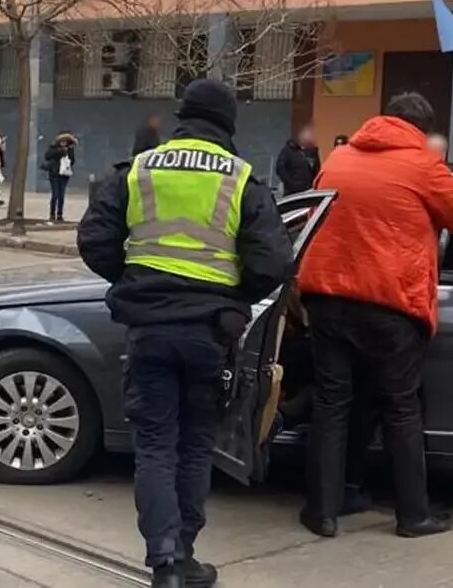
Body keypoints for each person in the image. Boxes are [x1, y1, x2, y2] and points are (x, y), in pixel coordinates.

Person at [77, 79, 293, 588]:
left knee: (154, 444)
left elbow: (93, 238)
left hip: (149, 330)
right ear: (228, 124)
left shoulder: (142, 169)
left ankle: (164, 561)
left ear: (182, 116)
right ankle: (187, 555)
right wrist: (233, 298)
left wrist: (136, 282)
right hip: (209, 334)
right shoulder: (240, 178)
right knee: (196, 444)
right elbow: (275, 261)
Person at [297, 92, 453, 540]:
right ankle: (413, 515)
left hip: (326, 298)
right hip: (390, 302)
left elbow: (311, 215)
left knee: (331, 403)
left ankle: (324, 510)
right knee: (401, 408)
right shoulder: (422, 164)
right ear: (419, 130)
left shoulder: (339, 157)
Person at [275, 124, 320, 195]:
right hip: (292, 193)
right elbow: (280, 168)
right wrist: (291, 184)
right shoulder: (288, 150)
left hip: (309, 192)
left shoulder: (312, 152)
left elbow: (317, 170)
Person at [43, 132, 77, 222]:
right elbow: (47, 156)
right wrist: (59, 152)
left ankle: (60, 214)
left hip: (64, 175)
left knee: (61, 195)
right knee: (55, 194)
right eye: (62, 141)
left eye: (65, 141)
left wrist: (68, 157)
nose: (63, 142)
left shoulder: (70, 149)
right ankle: (52, 213)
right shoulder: (53, 148)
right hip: (54, 174)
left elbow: (73, 161)